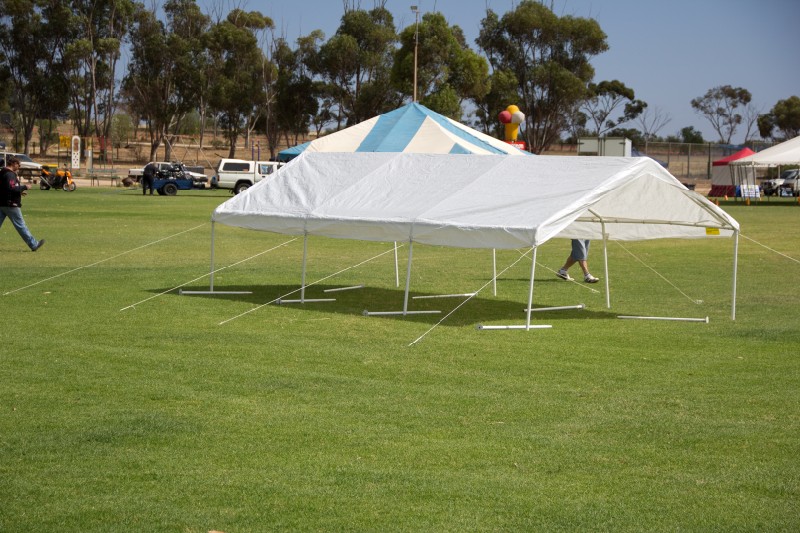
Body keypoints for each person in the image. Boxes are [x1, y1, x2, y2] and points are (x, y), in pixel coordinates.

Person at [0, 156, 45, 251]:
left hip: (2, 203)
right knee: (21, 225)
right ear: (13, 164)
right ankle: (34, 244)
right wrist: (25, 187)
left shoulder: (2, 173)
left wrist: (19, 192)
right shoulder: (10, 174)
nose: (19, 166)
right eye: (18, 164)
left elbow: (5, 189)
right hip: (11, 204)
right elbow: (11, 188)